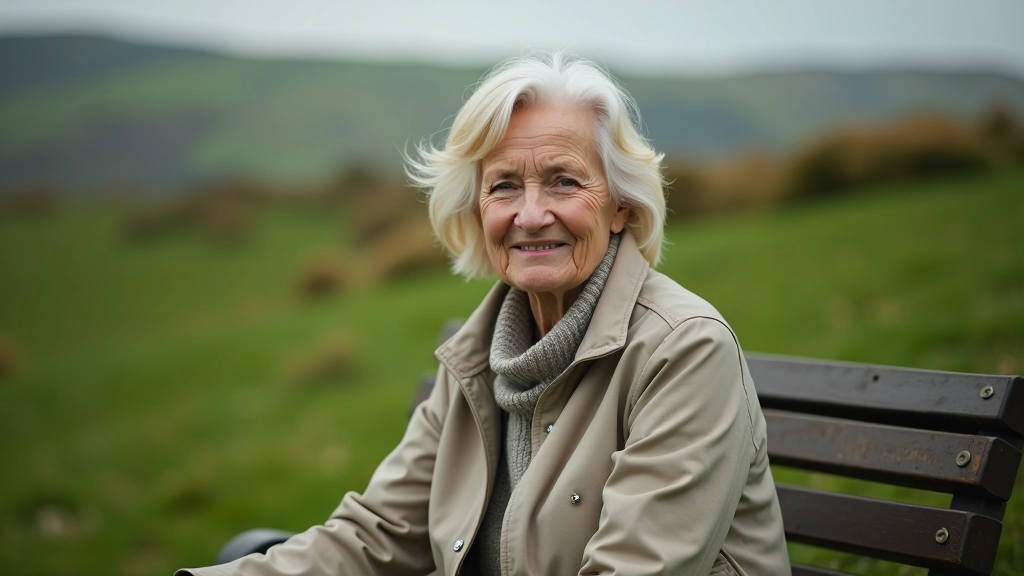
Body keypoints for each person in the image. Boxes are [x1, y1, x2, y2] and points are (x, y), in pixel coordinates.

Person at [179, 52, 790, 576]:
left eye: (562, 181)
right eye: (503, 187)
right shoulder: (478, 358)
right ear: (476, 211)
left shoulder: (684, 350)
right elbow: (375, 536)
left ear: (622, 206)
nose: (529, 215)